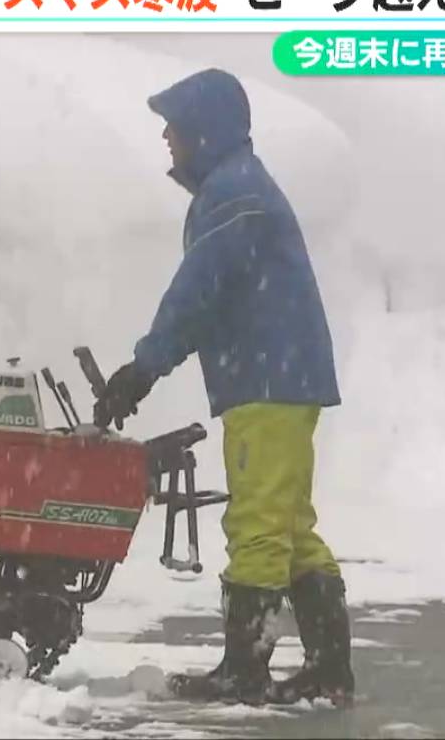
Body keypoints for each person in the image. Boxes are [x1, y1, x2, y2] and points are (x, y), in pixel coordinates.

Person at [93, 68, 354, 707]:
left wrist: (142, 369)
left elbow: (195, 294)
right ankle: (328, 670)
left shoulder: (233, 195)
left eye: (174, 128)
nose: (166, 139)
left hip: (267, 380)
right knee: (288, 523)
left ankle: (247, 669)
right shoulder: (238, 188)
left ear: (205, 131)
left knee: (260, 524)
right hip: (283, 376)